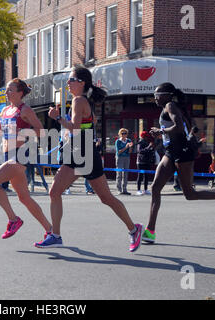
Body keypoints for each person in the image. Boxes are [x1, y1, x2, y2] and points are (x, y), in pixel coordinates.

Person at [36, 65, 144, 252]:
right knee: (55, 192)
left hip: (84, 154)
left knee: (106, 198)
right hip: (78, 152)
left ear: (81, 83)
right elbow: (88, 124)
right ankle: (56, 236)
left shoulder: (79, 101)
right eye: (68, 80)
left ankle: (134, 229)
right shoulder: (83, 101)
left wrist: (57, 118)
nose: (68, 83)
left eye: (71, 80)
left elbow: (76, 128)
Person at [143, 82, 215, 244]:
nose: (155, 97)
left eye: (157, 94)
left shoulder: (170, 105)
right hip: (171, 151)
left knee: (190, 194)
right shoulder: (167, 108)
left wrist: (161, 131)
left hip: (183, 153)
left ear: (167, 95)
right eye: (154, 95)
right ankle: (150, 231)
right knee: (155, 188)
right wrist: (162, 135)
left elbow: (179, 128)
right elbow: (181, 129)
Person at [0, 78, 53, 240]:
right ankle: (50, 230)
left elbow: (41, 131)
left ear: (20, 93)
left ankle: (13, 219)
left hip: (20, 154)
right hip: (8, 154)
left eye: (10, 90)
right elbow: (2, 134)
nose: (7, 93)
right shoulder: (5, 110)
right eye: (6, 90)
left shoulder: (26, 110)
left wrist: (22, 132)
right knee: (24, 197)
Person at [115, 128, 133, 195]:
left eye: (125, 133)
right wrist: (126, 147)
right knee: (119, 174)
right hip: (120, 157)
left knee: (125, 174)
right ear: (120, 134)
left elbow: (130, 152)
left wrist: (130, 147)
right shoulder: (118, 141)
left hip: (127, 157)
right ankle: (119, 189)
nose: (124, 135)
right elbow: (118, 152)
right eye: (122, 133)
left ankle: (124, 189)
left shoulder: (129, 140)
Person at [136, 131, 155, 195]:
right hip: (140, 161)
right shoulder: (140, 143)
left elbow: (149, 151)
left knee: (146, 176)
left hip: (147, 161)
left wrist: (152, 148)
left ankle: (145, 189)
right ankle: (138, 190)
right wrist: (149, 147)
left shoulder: (148, 142)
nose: (147, 138)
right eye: (146, 136)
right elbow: (140, 151)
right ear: (143, 137)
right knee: (140, 176)